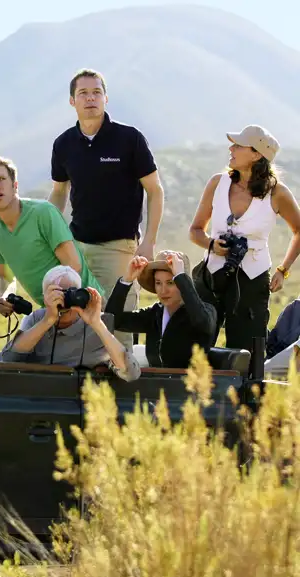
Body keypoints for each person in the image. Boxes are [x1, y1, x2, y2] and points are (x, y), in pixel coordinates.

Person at [47, 68, 165, 351]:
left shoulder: (129, 138)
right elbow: (59, 191)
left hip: (118, 249)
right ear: (72, 101)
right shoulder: (63, 144)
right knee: (76, 322)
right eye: (83, 93)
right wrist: (50, 237)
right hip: (77, 249)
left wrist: (148, 242)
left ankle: (122, 389)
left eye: (96, 92)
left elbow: (155, 190)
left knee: (118, 323)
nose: (90, 98)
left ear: (106, 98)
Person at [188, 125, 300, 355]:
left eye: (238, 145)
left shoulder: (277, 193)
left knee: (246, 353)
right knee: (195, 346)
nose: (231, 148)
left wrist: (283, 269)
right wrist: (212, 245)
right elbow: (195, 231)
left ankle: (243, 392)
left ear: (257, 154)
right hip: (211, 277)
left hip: (253, 280)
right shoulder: (217, 183)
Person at [0, 154, 103, 315]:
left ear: (15, 185)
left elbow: (73, 266)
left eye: (2, 179)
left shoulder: (43, 212)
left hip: (86, 307)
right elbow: (5, 278)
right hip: (51, 312)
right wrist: (5, 298)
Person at [0, 265, 141, 382]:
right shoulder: (36, 320)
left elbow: (130, 373)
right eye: (57, 293)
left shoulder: (98, 322)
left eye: (70, 293)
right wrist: (48, 320)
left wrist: (97, 324)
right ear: (45, 298)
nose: (63, 301)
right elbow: (7, 361)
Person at [105, 250, 217, 369]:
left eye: (170, 283)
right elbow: (112, 320)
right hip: (157, 384)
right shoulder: (155, 313)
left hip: (192, 385)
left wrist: (180, 276)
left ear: (183, 282)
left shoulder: (206, 311)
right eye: (158, 283)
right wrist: (126, 281)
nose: (163, 291)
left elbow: (203, 322)